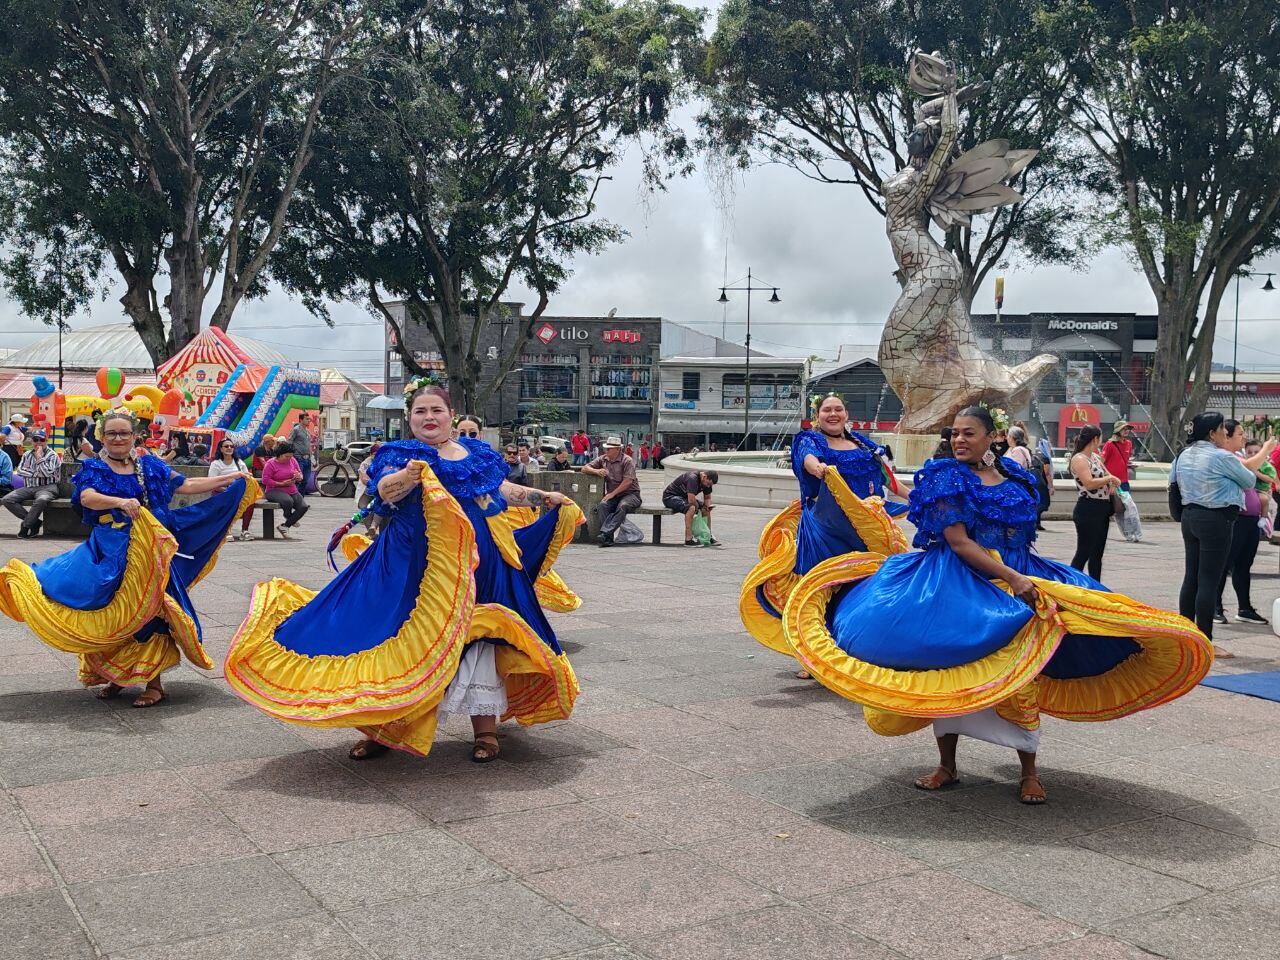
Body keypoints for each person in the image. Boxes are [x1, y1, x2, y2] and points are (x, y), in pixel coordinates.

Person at [784, 406, 1211, 805]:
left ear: (993, 437)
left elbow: (1023, 535)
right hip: (961, 583)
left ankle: (1029, 771)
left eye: (969, 433)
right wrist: (1012, 578)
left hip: (1020, 577)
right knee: (947, 673)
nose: (958, 440)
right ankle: (947, 766)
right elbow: (957, 542)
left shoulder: (1015, 475)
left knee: (1024, 675)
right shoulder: (945, 477)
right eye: (954, 433)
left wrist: (1022, 576)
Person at [224, 376, 582, 763]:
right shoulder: (399, 454)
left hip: (478, 562)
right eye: (420, 411)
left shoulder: (476, 454)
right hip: (412, 565)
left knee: (479, 640)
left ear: (450, 415)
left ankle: (485, 730)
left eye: (436, 410)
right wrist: (408, 476)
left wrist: (541, 496)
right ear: (409, 418)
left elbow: (496, 493)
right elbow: (383, 491)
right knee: (391, 637)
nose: (429, 417)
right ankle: (382, 728)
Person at [0, 409, 256, 707]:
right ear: (102, 437)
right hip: (111, 549)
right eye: (111, 433)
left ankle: (154, 684)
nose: (118, 438)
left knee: (152, 610)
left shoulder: (149, 464)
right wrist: (120, 501)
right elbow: (87, 497)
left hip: (150, 549)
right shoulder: (95, 468)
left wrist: (232, 477)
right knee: (104, 606)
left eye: (123, 433)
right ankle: (118, 675)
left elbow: (185, 485)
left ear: (134, 436)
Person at [741, 393, 907, 669]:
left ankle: (855, 649)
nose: (833, 414)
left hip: (861, 529)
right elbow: (808, 458)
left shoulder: (863, 444)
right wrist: (819, 468)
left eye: (838, 409)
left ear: (846, 414)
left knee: (862, 588)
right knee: (820, 589)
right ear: (817, 415)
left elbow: (889, 480)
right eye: (827, 410)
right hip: (824, 528)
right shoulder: (809, 439)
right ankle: (812, 657)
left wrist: (917, 498)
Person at [1170, 412, 1276, 657]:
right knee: (1209, 579)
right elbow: (1249, 481)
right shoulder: (1220, 456)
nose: (1224, 434)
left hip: (1190, 517)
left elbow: (1173, 482)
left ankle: (1185, 637)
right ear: (1212, 433)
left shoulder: (1183, 454)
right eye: (1221, 430)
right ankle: (1205, 641)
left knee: (1191, 577)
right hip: (1216, 519)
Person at [1215, 427, 1270, 626]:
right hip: (1236, 519)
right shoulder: (1226, 457)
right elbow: (1249, 468)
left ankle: (1244, 608)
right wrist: (1267, 448)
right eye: (1240, 433)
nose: (1244, 437)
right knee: (1224, 564)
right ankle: (1215, 607)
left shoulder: (1237, 456)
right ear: (1226, 437)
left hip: (1251, 520)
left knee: (1244, 565)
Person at [1068, 425, 1122, 580]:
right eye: (1100, 438)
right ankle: (1071, 583)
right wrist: (1109, 479)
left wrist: (1111, 482)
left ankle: (1096, 586)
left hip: (1102, 508)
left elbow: (1108, 476)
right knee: (1084, 551)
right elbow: (1089, 483)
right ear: (1095, 439)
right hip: (1088, 507)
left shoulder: (1095, 457)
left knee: (1097, 553)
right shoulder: (1079, 459)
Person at [582, 436, 641, 547]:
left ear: (618, 449)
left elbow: (628, 481)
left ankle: (605, 533)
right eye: (606, 448)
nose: (607, 450)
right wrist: (596, 471)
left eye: (609, 449)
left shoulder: (627, 460)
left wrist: (613, 493)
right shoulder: (603, 459)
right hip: (613, 495)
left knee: (623, 506)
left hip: (631, 494)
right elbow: (585, 468)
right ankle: (607, 538)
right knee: (603, 505)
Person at [3, 430, 62, 538]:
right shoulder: (27, 454)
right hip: (29, 487)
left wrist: (39, 458)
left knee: (41, 500)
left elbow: (47, 473)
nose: (38, 442)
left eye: (41, 440)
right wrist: (36, 474)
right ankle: (35, 522)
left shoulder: (52, 455)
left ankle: (26, 526)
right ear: (32, 441)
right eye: (35, 439)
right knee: (7, 499)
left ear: (46, 440)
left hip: (47, 487)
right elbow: (20, 471)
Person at [261, 437, 309, 539]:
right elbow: (265, 480)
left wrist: (299, 477)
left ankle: (285, 526)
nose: (289, 458)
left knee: (303, 507)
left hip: (291, 489)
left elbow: (300, 473)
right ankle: (289, 516)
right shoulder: (270, 464)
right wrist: (281, 484)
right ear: (279, 454)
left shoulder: (292, 460)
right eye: (286, 456)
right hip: (273, 490)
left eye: (290, 456)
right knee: (288, 501)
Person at [210, 438, 255, 541]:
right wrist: (227, 491)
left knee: (250, 502)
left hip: (239, 492)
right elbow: (212, 483)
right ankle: (226, 530)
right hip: (222, 492)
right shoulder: (216, 464)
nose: (229, 448)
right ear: (221, 449)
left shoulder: (239, 462)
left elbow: (248, 477)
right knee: (228, 501)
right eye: (226, 446)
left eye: (231, 446)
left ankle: (245, 531)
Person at [663, 468, 720, 545]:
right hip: (670, 497)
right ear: (704, 477)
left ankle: (707, 535)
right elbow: (691, 500)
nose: (708, 486)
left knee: (706, 509)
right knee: (691, 508)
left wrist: (707, 507)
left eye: (710, 485)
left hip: (684, 498)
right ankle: (688, 539)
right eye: (708, 484)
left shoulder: (707, 482)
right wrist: (697, 509)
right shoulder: (692, 478)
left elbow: (707, 497)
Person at [1102, 421, 1134, 492]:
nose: (1126, 431)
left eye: (1127, 429)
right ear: (1117, 430)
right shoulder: (1109, 444)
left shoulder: (1129, 443)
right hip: (1111, 482)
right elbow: (1101, 463)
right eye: (1123, 429)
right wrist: (1108, 479)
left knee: (1126, 499)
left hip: (1124, 481)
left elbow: (1125, 460)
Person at [289, 412, 315, 494]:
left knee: (305, 480)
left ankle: (300, 498)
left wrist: (312, 457)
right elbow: (289, 441)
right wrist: (291, 455)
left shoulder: (307, 430)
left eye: (309, 419)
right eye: (307, 419)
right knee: (298, 479)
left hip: (307, 458)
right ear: (301, 420)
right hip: (298, 457)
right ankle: (295, 497)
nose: (309, 420)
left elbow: (308, 444)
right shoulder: (296, 429)